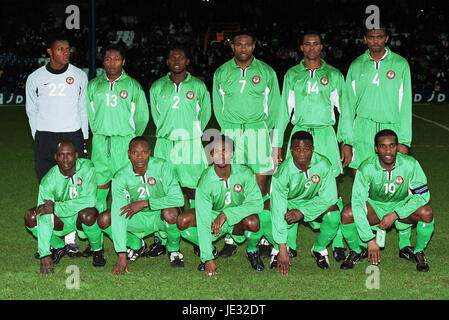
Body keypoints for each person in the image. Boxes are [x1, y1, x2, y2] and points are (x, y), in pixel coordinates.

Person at [278, 31, 351, 262]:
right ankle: (289, 244)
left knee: (333, 188)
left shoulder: (334, 74)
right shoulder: (292, 74)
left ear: (321, 47)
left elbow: (345, 111)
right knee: (292, 187)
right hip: (299, 135)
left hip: (325, 135)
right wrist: (276, 144)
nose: (311, 48)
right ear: (301, 48)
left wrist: (346, 142)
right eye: (307, 44)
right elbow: (283, 111)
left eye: (315, 44)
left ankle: (337, 242)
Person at [341, 24, 413, 254]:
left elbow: (406, 103)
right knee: (363, 188)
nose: (375, 41)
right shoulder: (356, 65)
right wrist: (346, 141)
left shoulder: (400, 64)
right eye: (371, 37)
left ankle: (404, 242)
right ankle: (366, 239)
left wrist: (404, 140)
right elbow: (347, 106)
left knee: (397, 188)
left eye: (380, 36)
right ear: (365, 38)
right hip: (362, 130)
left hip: (391, 130)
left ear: (387, 38)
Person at [212, 29, 284, 257]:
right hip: (232, 134)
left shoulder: (267, 72)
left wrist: (270, 138)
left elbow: (275, 109)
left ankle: (261, 236)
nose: (243, 48)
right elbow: (217, 108)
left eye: (247, 45)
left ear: (254, 46)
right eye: (239, 45)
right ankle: (232, 237)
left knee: (260, 187)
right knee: (232, 186)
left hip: (257, 133)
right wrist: (228, 132)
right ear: (232, 46)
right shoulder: (222, 72)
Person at [25, 32, 89, 257]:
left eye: (68, 49)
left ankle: (70, 240)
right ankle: (50, 240)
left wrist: (84, 139)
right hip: (45, 137)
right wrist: (38, 136)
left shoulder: (79, 76)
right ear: (50, 52)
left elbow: (83, 109)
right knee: (48, 186)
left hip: (72, 135)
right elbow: (31, 109)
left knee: (73, 187)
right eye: (61, 49)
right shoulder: (35, 77)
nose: (66, 53)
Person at [147, 44, 211, 258]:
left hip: (190, 143)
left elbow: (205, 116)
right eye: (172, 57)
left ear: (187, 62)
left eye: (181, 57)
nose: (176, 60)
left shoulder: (199, 87)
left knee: (194, 191)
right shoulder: (157, 87)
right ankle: (161, 238)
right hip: (165, 144)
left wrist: (189, 134)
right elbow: (156, 118)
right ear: (167, 62)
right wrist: (169, 133)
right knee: (161, 192)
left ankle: (196, 234)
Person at [339, 130, 433, 272]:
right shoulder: (366, 167)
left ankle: (419, 252)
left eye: (392, 146)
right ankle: (356, 250)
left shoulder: (410, 164)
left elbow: (423, 195)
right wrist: (369, 239)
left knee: (426, 212)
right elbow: (358, 203)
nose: (388, 151)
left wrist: (396, 214)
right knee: (347, 213)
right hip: (376, 207)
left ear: (397, 147)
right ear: (376, 149)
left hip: (401, 206)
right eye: (383, 146)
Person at [176, 135, 265, 276]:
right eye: (216, 151)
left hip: (238, 218)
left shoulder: (245, 173)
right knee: (183, 221)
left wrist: (227, 214)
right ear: (211, 155)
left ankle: (252, 250)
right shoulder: (205, 180)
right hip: (214, 218)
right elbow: (203, 218)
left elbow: (257, 204)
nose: (221, 155)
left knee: (253, 222)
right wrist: (208, 259)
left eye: (225, 150)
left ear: (233, 153)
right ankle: (209, 249)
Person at [99, 137, 185, 275]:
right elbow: (119, 214)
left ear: (150, 153)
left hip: (159, 216)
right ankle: (135, 244)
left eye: (144, 152)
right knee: (105, 219)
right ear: (128, 154)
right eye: (135, 153)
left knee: (171, 212)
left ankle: (174, 249)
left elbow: (178, 199)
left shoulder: (162, 166)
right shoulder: (120, 177)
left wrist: (145, 203)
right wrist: (121, 254)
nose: (140, 157)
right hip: (137, 218)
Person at [86, 44, 149, 216]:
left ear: (123, 61)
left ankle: (129, 234)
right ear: (103, 62)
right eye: (108, 59)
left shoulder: (133, 86)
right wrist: (100, 130)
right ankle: (97, 232)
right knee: (99, 187)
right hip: (100, 142)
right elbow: (90, 115)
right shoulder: (94, 85)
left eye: (116, 59)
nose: (112, 63)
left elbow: (142, 118)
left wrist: (131, 139)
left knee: (124, 189)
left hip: (124, 144)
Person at [24, 141, 105, 274]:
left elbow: (90, 200)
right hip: (63, 220)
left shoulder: (87, 168)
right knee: (31, 217)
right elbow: (43, 214)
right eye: (61, 155)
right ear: (56, 157)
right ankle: (58, 246)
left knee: (88, 214)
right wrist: (44, 254)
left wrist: (56, 208)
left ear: (76, 156)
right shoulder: (48, 180)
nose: (65, 159)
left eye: (69, 155)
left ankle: (97, 250)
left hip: (82, 217)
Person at [271, 131, 341, 276]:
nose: (302, 154)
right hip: (289, 203)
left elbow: (330, 197)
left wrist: (302, 211)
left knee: (333, 215)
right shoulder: (282, 172)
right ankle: (280, 248)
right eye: (297, 149)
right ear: (291, 150)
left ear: (313, 149)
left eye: (306, 149)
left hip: (313, 202)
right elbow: (278, 208)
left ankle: (319, 249)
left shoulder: (323, 164)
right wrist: (282, 249)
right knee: (267, 214)